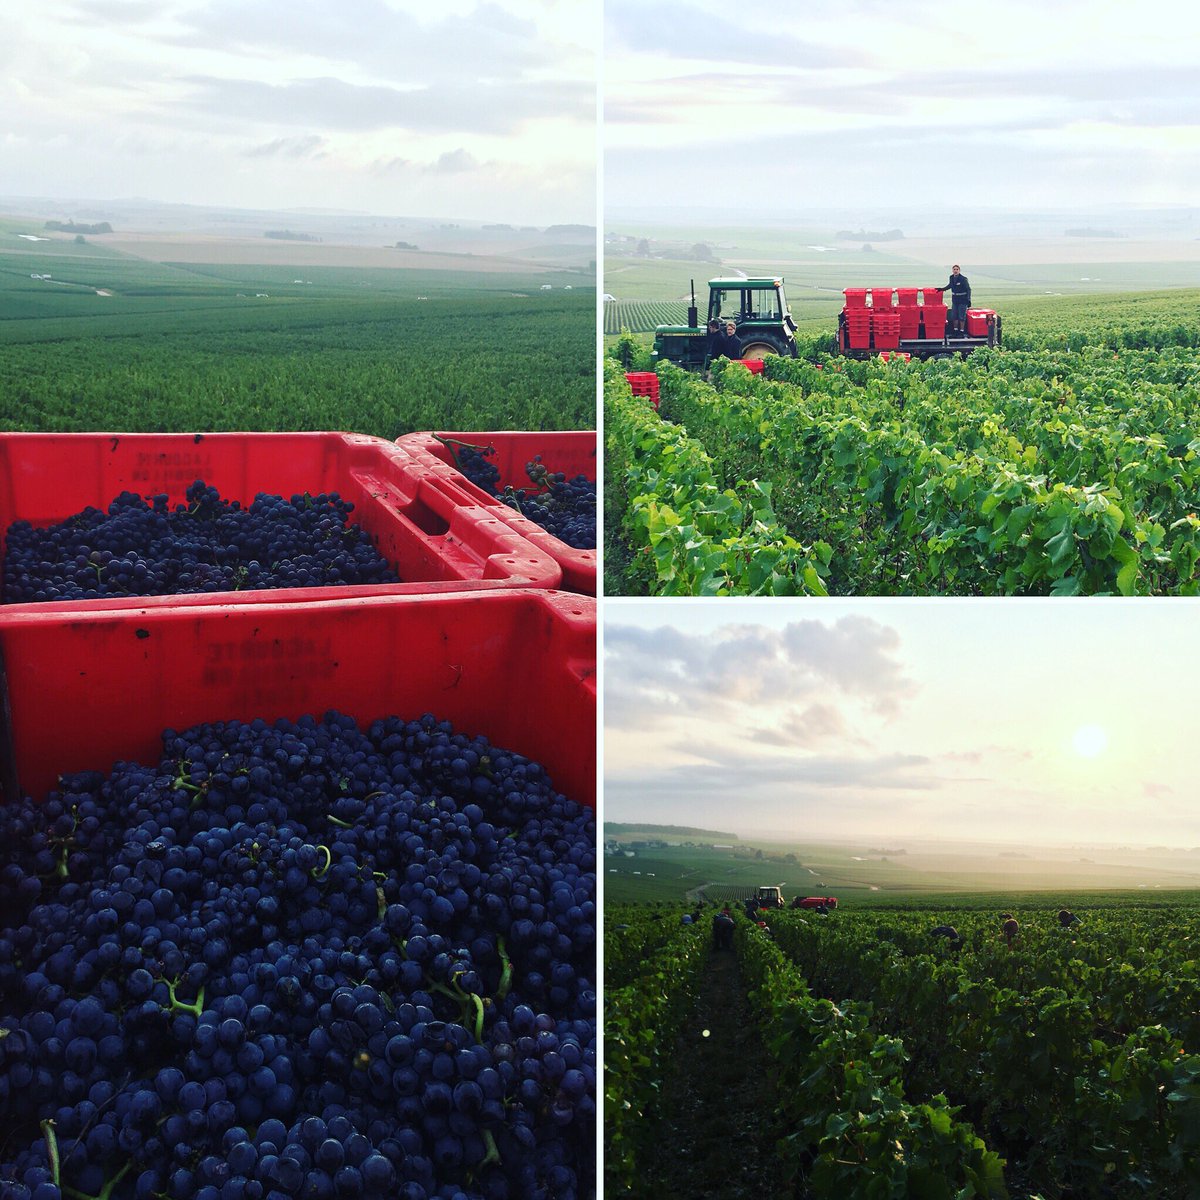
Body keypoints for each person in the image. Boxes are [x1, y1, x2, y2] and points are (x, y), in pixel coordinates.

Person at [937, 264, 971, 336]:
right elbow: (950, 285)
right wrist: (942, 289)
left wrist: (969, 299)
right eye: (954, 269)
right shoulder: (951, 277)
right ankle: (955, 331)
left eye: (957, 269)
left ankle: (961, 331)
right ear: (952, 270)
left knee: (962, 316)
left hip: (962, 300)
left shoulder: (963, 279)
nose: (955, 271)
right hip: (955, 300)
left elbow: (968, 289)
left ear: (959, 270)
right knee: (954, 315)